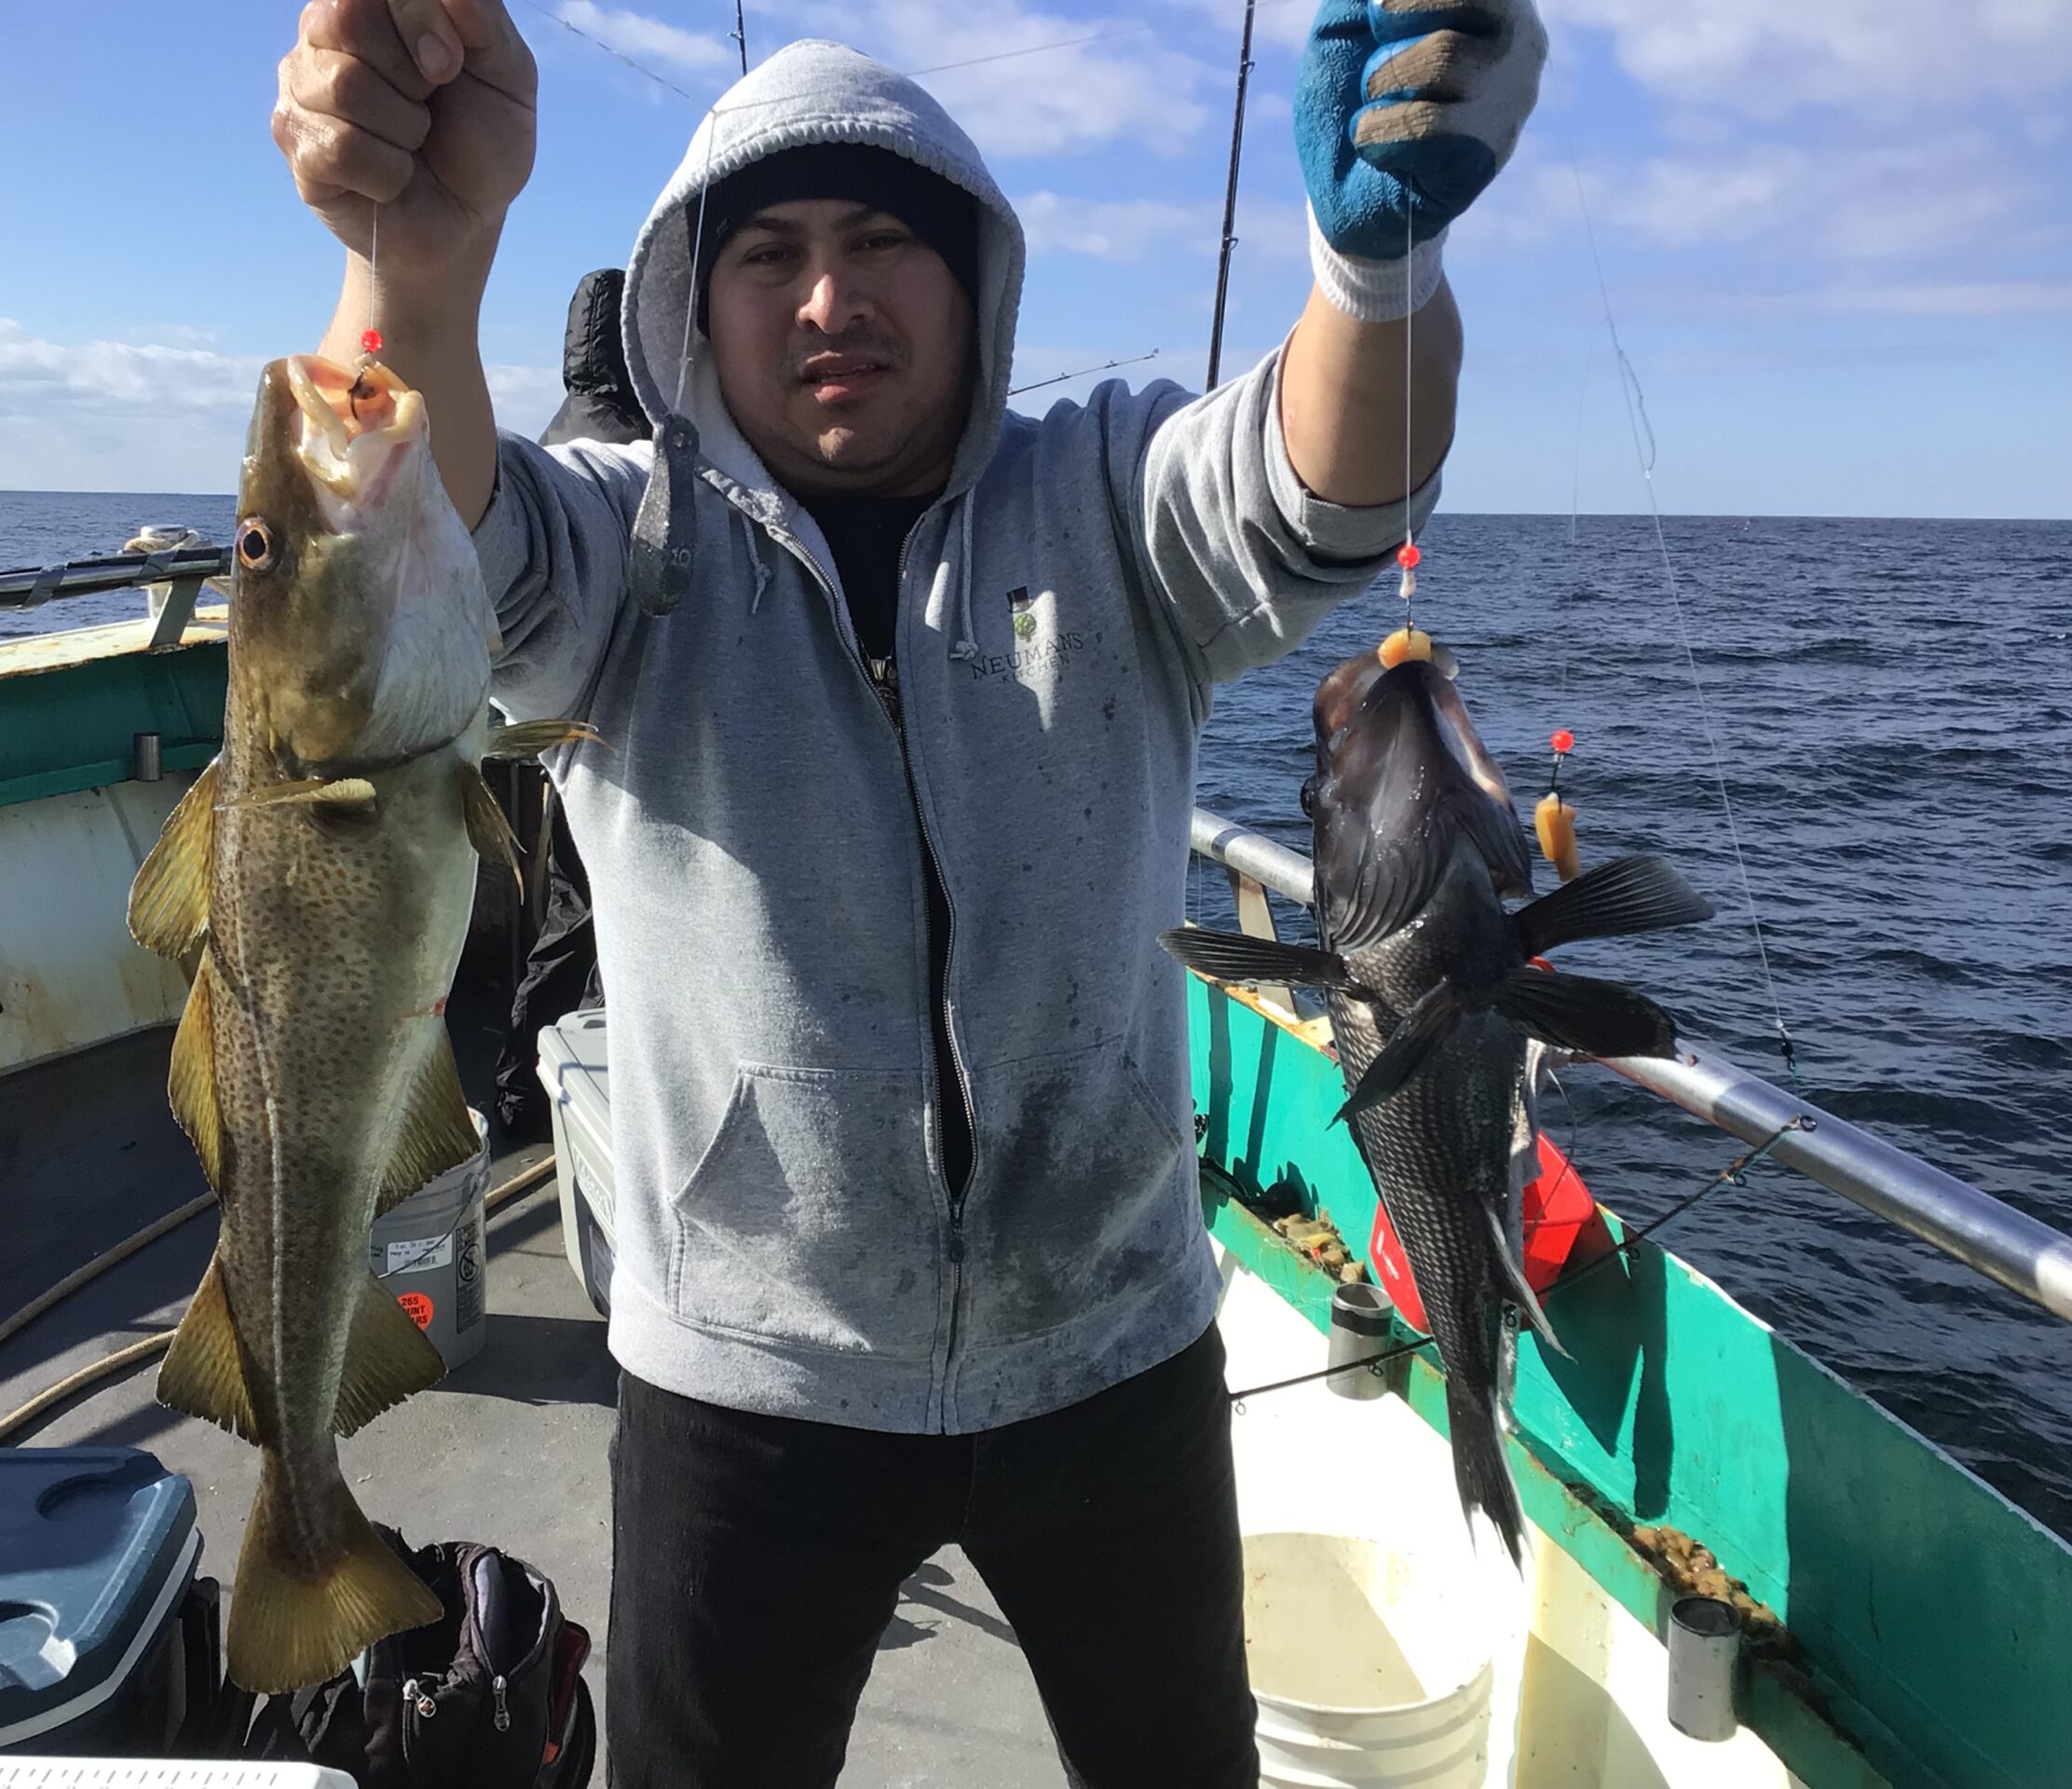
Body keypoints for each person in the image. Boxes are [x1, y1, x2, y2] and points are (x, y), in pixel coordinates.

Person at [272, 2, 1544, 1782]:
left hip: (1113, 1336)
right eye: (770, 255)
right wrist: (416, 257)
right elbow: (411, 549)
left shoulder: (1105, 492)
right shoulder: (624, 549)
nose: (827, 298)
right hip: (744, 1376)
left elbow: (1320, 486)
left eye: (881, 241)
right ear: (691, 304)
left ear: (973, 278)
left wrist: (1375, 270)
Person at [487, 267, 645, 1151]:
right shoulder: (640, 451)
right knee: (602, 918)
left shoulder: (557, 439)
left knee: (562, 914)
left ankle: (518, 1090)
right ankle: (578, 1097)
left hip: (541, 734)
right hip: (615, 745)